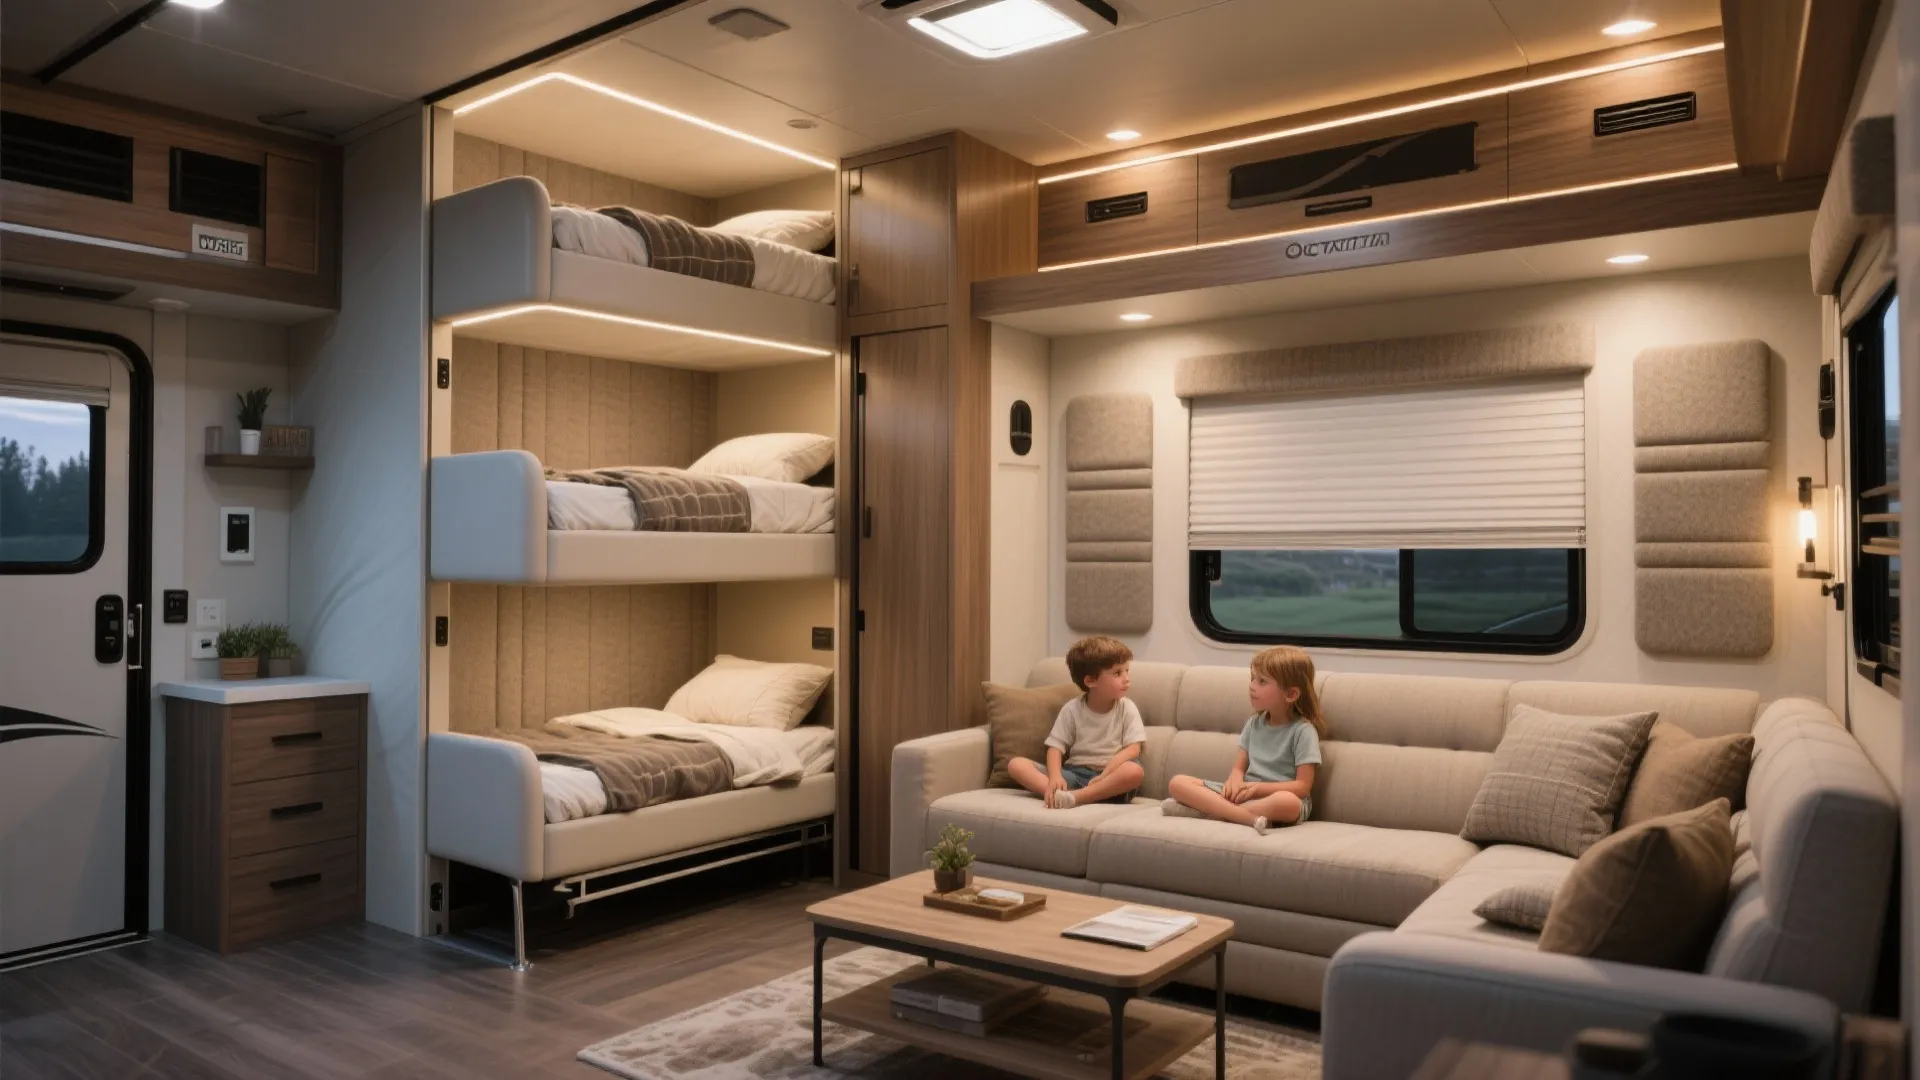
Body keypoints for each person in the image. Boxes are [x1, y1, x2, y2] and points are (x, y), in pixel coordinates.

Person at [1163, 645, 1325, 834]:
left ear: (1291, 694)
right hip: (1246, 795)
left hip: (1275, 797)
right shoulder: (1254, 724)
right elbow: (1238, 768)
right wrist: (1235, 781)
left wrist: (1256, 789)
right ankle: (1247, 818)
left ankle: (1210, 813)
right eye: (1252, 678)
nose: (1252, 686)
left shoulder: (1303, 731)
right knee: (1178, 782)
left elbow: (1302, 787)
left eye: (1262, 681)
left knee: (1287, 803)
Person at [1006, 635, 1146, 809]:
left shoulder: (1127, 708)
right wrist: (1055, 776)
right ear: (1090, 681)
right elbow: (1055, 748)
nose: (1126, 678)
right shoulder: (1071, 710)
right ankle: (1058, 794)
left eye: (1127, 670)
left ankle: (1076, 798)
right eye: (1117, 673)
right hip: (1075, 775)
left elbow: (1133, 749)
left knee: (1134, 771)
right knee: (1016, 765)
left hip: (1111, 778)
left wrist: (1105, 775)